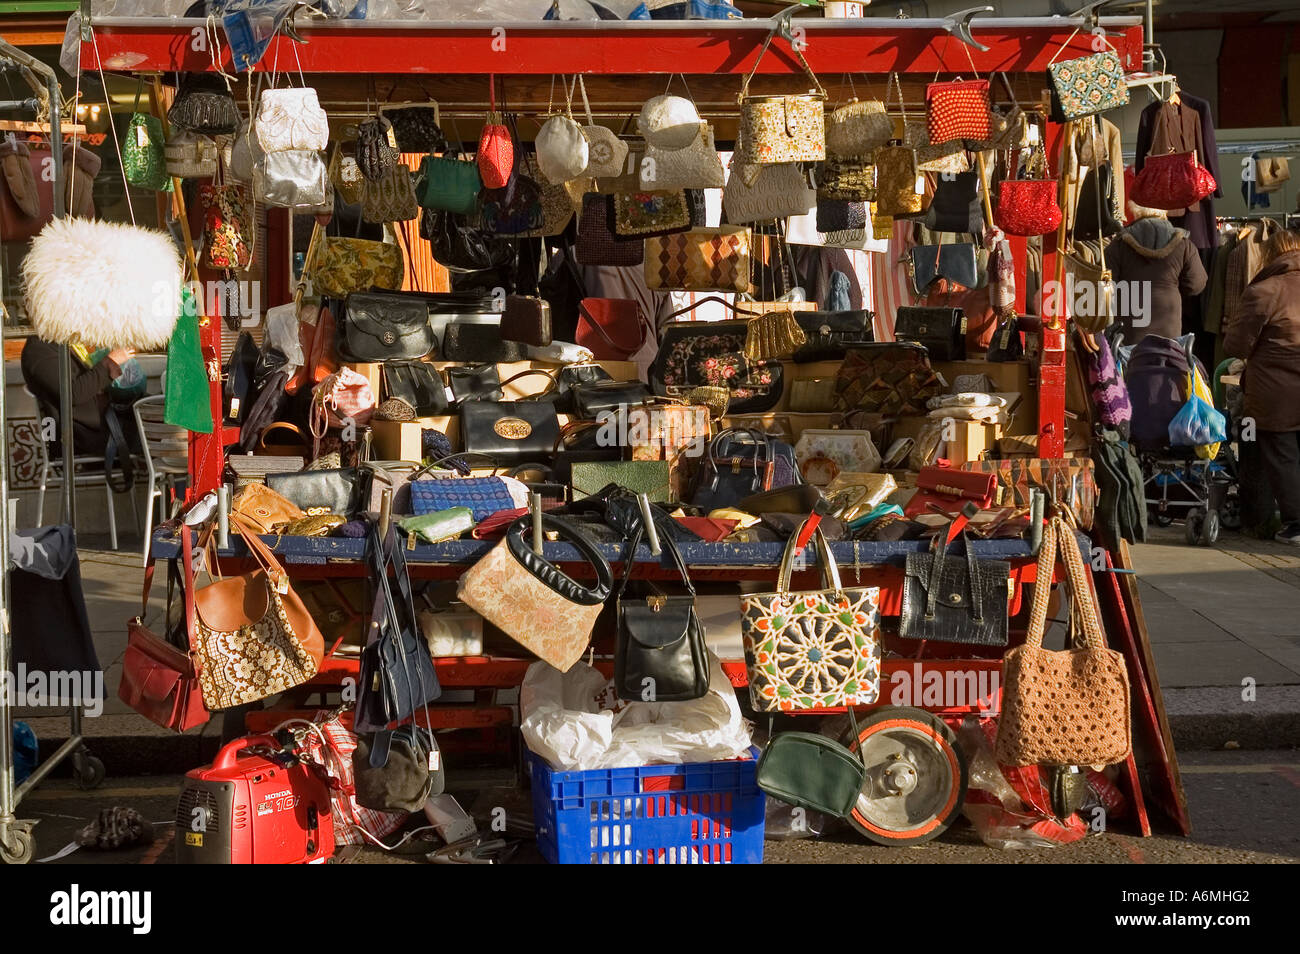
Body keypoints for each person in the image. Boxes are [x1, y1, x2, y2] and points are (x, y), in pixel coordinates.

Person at [1224, 229, 1300, 545]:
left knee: (1282, 456)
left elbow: (1236, 345)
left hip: (1274, 392)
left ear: (1270, 256)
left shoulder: (1264, 291)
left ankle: (1295, 524)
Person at [1106, 201, 1207, 345]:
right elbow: (1196, 284)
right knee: (1167, 363)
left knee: (1132, 364)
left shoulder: (1118, 245)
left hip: (1130, 327)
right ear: (1164, 211)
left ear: (1134, 210)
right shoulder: (1183, 244)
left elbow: (1107, 287)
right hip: (1169, 324)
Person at [20, 336, 136, 457]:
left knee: (150, 414)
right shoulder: (39, 349)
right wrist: (110, 362)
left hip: (105, 424)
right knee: (149, 432)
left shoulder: (61, 343)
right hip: (83, 436)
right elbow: (72, 393)